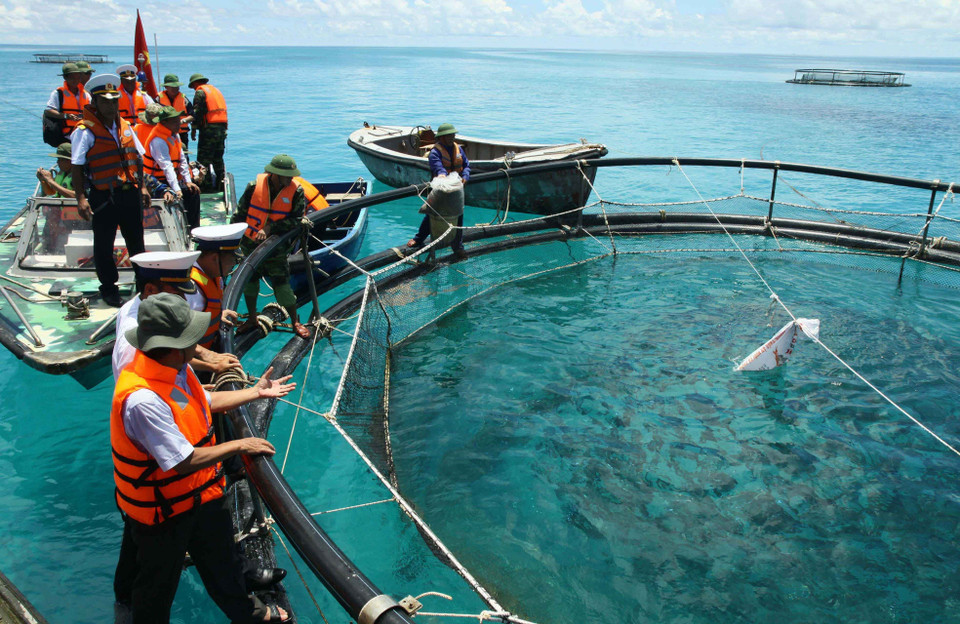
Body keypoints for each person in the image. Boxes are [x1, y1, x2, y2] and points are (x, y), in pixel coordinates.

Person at [111, 293, 292, 623]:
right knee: (156, 587)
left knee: (224, 564)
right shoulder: (142, 399)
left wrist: (256, 391)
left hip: (201, 496)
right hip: (164, 512)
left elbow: (204, 400)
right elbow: (181, 460)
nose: (197, 347)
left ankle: (253, 615)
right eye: (191, 340)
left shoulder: (174, 370)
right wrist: (239, 446)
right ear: (174, 345)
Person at [71, 73, 149, 307]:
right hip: (104, 196)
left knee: (137, 242)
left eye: (114, 100)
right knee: (103, 244)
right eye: (105, 101)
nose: (111, 105)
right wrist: (81, 198)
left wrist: (143, 187)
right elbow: (77, 166)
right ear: (94, 103)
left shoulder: (126, 126)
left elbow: (138, 158)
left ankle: (144, 285)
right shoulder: (84, 130)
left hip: (130, 194)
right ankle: (109, 288)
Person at [112, 251, 242, 381]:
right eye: (177, 293)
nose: (184, 299)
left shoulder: (139, 304)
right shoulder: (135, 340)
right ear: (150, 290)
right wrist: (210, 365)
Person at [232, 155, 311, 339]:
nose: (291, 179)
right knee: (249, 285)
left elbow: (296, 220)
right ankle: (252, 319)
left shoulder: (296, 191)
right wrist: (232, 242)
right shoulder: (253, 187)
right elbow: (239, 215)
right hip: (249, 245)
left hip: (276, 250)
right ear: (275, 174)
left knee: (282, 288)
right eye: (287, 175)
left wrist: (270, 228)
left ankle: (295, 321)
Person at [406, 122, 470, 256]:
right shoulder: (435, 152)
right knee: (432, 214)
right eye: (448, 135)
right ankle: (419, 239)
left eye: (452, 134)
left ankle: (458, 247)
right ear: (441, 137)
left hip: (457, 190)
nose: (451, 137)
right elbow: (438, 168)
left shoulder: (458, 149)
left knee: (458, 216)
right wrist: (443, 176)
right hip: (440, 189)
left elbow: (466, 165)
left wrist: (465, 175)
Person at [188, 223, 246, 352]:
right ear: (215, 258)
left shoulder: (213, 276)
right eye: (232, 260)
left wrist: (217, 316)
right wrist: (211, 361)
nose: (233, 265)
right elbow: (174, 343)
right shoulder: (190, 291)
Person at [143, 106, 202, 229]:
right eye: (174, 121)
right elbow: (167, 167)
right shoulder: (158, 140)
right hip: (154, 182)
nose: (178, 123)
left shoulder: (175, 135)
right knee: (174, 197)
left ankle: (193, 229)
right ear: (164, 122)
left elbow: (182, 160)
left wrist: (188, 181)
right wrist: (177, 189)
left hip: (170, 179)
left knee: (192, 192)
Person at [188, 73, 227, 191]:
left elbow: (197, 113)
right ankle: (221, 184)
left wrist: (193, 129)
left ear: (195, 83)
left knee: (203, 160)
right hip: (222, 130)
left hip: (209, 131)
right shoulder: (216, 91)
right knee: (217, 158)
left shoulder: (200, 92)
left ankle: (206, 187)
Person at [43, 62, 90, 142]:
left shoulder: (86, 94)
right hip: (65, 136)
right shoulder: (58, 93)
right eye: (72, 78)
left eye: (78, 77)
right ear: (65, 77)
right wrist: (66, 116)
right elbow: (48, 111)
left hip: (83, 134)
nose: (75, 80)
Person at [157, 74, 195, 153]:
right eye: (172, 87)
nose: (175, 89)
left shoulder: (184, 99)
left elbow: (193, 115)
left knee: (183, 154)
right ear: (166, 87)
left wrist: (182, 121)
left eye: (177, 86)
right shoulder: (158, 99)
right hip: (164, 134)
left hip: (182, 134)